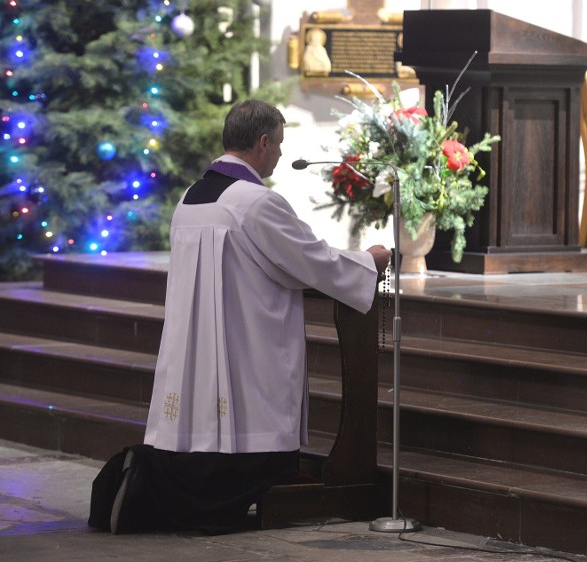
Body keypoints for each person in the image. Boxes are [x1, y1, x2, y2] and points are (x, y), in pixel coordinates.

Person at [109, 100, 391, 535]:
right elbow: (312, 259)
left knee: (205, 438)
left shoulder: (190, 198)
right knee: (247, 439)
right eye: (278, 143)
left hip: (198, 343)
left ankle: (150, 480)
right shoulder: (256, 201)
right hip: (247, 342)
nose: (279, 153)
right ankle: (160, 490)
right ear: (262, 142)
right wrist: (368, 262)